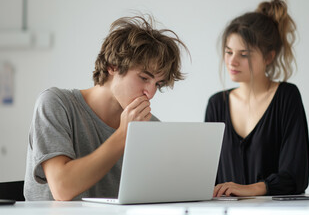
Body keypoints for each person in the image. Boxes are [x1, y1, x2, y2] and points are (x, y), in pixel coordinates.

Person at [24, 15, 188, 201]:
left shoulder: (149, 125)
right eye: (144, 78)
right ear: (113, 66)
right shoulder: (56, 104)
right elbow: (62, 188)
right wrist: (123, 134)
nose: (150, 93)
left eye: (158, 84)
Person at [205, 0, 309, 197]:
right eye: (228, 52)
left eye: (243, 54)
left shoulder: (287, 97)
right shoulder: (216, 104)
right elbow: (208, 175)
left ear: (269, 57)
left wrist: (249, 190)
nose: (232, 62)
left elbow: (296, 175)